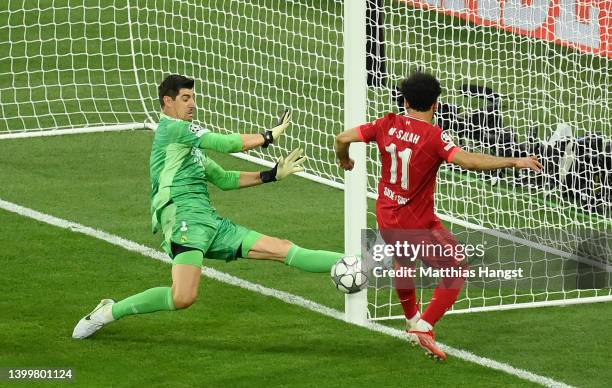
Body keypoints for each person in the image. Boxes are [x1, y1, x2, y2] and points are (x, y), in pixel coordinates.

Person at [73, 74, 344, 339]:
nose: (193, 104)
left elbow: (224, 179)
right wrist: (267, 136)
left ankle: (358, 260)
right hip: (184, 220)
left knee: (282, 248)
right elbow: (224, 144)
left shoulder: (189, 147)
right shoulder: (172, 129)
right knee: (183, 297)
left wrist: (271, 174)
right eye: (186, 98)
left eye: (194, 98)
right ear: (168, 102)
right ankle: (109, 312)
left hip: (211, 224)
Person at [335, 71, 543, 360]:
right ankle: (424, 326)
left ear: (405, 101)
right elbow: (468, 160)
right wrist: (512, 160)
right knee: (457, 267)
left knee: (403, 261)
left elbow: (342, 137)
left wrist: (344, 159)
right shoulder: (433, 137)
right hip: (416, 222)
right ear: (435, 104)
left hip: (386, 214)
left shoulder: (387, 123)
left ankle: (411, 320)